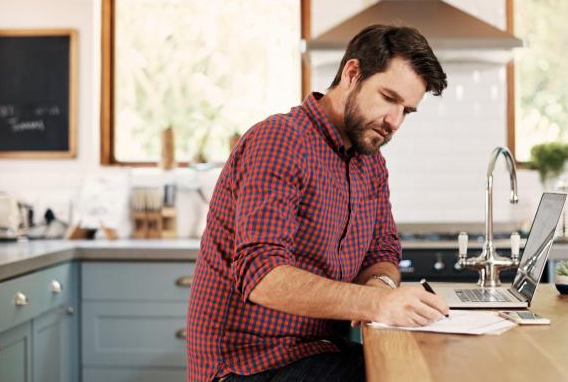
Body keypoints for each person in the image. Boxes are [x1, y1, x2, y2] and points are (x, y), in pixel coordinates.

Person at [187, 24, 450, 382]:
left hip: (320, 350)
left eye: (407, 110)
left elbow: (382, 251)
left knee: (422, 364)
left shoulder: (370, 162)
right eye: (389, 98)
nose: (395, 122)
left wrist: (381, 286)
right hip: (248, 365)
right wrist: (375, 304)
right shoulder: (279, 141)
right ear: (352, 73)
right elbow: (261, 275)